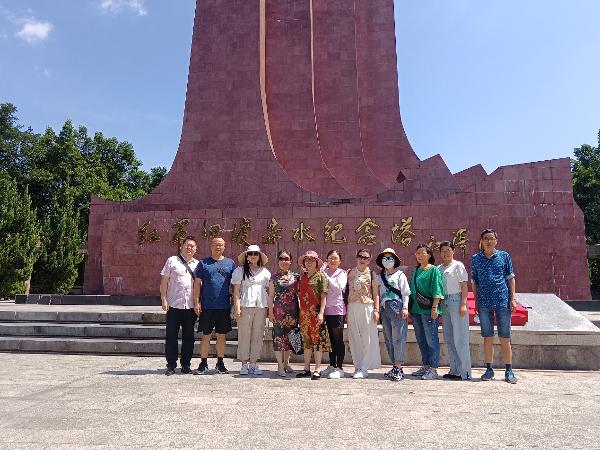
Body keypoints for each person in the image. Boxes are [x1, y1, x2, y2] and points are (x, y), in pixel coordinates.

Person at [471, 229, 518, 384]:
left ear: (496, 241)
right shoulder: (476, 258)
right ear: (481, 241)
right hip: (484, 303)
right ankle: (489, 369)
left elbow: (510, 278)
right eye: (485, 238)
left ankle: (509, 370)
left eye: (491, 238)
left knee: (505, 337)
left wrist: (513, 298)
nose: (488, 241)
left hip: (502, 301)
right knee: (487, 337)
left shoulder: (504, 256)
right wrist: (476, 301)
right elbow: (474, 282)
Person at [193, 237, 237, 375]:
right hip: (207, 306)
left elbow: (234, 285)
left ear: (224, 247)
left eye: (221, 245)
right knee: (206, 335)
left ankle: (220, 363)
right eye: (216, 245)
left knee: (221, 336)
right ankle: (203, 363)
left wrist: (235, 303)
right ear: (211, 246)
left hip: (223, 306)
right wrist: (196, 302)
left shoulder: (230, 263)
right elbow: (197, 284)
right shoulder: (203, 263)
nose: (218, 247)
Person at [159, 236, 199, 375]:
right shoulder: (172, 261)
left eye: (192, 246)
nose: (189, 248)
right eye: (187, 245)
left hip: (190, 307)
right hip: (173, 305)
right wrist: (163, 299)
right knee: (171, 336)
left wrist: (198, 303)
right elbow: (164, 281)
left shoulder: (198, 264)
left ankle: (186, 365)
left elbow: (199, 286)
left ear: (196, 249)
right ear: (181, 246)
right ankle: (171, 365)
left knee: (189, 337)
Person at [232, 245, 271, 376]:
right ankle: (244, 364)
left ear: (259, 256)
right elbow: (236, 291)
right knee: (244, 335)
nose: (253, 256)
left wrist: (269, 309)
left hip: (261, 307)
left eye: (255, 253)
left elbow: (269, 291)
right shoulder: (240, 271)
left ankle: (253, 363)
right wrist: (237, 307)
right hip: (245, 306)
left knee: (258, 335)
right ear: (247, 256)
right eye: (250, 253)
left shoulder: (265, 272)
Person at [409, 244, 444, 380]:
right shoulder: (415, 270)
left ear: (429, 255)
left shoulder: (434, 270)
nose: (419, 255)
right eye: (417, 253)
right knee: (421, 339)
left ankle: (433, 369)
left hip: (428, 310)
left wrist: (435, 308)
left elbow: (437, 289)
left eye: (422, 253)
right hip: (416, 310)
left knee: (431, 339)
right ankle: (426, 366)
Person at [346, 249, 382, 379]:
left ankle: (364, 367)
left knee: (367, 337)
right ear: (356, 258)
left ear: (369, 260)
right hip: (352, 306)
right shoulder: (350, 273)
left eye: (366, 258)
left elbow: (376, 293)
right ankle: (357, 366)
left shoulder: (372, 274)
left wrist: (376, 310)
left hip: (367, 307)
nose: (363, 259)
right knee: (354, 336)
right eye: (360, 256)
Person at [375, 248, 410, 381]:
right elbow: (377, 292)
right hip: (385, 308)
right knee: (388, 338)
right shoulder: (380, 276)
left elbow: (406, 292)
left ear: (395, 260)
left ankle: (399, 367)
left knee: (398, 337)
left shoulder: (400, 275)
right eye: (385, 258)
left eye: (390, 258)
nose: (387, 261)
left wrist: (405, 308)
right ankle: (394, 366)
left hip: (397, 307)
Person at [296, 250, 331, 380]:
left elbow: (323, 296)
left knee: (317, 341)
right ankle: (306, 368)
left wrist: (321, 313)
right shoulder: (302, 277)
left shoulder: (321, 276)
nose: (309, 262)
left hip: (315, 313)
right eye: (307, 260)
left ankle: (317, 369)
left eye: (312, 260)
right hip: (304, 314)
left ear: (316, 263)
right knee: (306, 341)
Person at [439, 241, 471, 381]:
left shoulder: (458, 265)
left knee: (460, 338)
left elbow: (464, 286)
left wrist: (463, 304)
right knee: (449, 337)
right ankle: (454, 370)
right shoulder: (439, 268)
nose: (445, 253)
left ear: (453, 251)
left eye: (448, 250)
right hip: (444, 302)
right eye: (443, 250)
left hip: (456, 301)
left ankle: (465, 372)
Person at [268, 250, 300, 377]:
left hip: (293, 312)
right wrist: (270, 312)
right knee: (278, 338)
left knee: (290, 337)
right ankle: (280, 366)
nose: (284, 261)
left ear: (290, 261)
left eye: (286, 259)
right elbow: (271, 296)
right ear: (278, 261)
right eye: (281, 259)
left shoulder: (296, 277)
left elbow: (300, 294)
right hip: (279, 312)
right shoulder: (274, 277)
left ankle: (286, 363)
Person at [320, 250, 348, 379]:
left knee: (338, 339)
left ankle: (339, 367)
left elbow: (338, 288)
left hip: (337, 309)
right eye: (330, 258)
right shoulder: (323, 272)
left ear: (340, 261)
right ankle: (332, 365)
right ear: (327, 259)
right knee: (330, 339)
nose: (333, 260)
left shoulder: (342, 273)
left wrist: (326, 277)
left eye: (335, 258)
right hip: (326, 309)